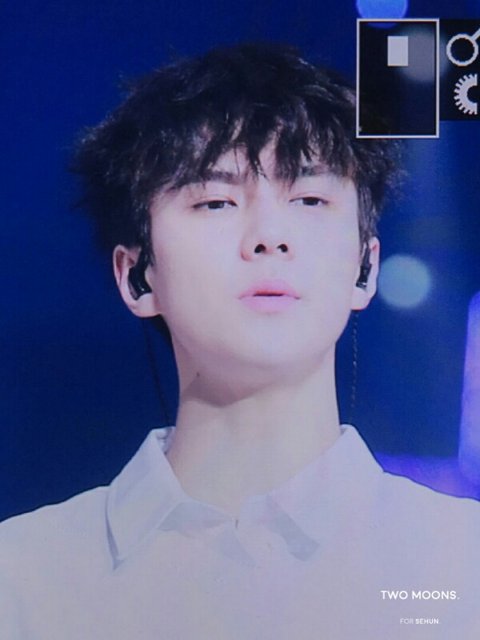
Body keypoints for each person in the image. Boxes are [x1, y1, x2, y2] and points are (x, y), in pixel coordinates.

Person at [1, 42, 479, 639]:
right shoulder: (24, 577)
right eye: (216, 202)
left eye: (309, 199)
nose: (270, 235)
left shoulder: (461, 563)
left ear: (365, 266)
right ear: (138, 275)